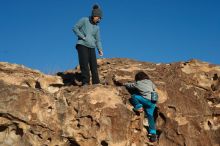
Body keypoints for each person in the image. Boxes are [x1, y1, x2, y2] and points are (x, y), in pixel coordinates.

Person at [73, 4, 103, 86]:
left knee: (94, 65)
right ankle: (85, 82)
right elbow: (75, 28)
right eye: (99, 17)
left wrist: (100, 49)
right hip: (82, 45)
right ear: (94, 15)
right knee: (84, 64)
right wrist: (82, 36)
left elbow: (98, 40)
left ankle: (96, 82)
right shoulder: (84, 20)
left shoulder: (97, 27)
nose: (99, 20)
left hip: (92, 46)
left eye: (100, 18)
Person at [123, 71, 158, 142]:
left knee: (133, 96)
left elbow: (130, 86)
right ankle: (153, 133)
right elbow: (154, 88)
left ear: (138, 78)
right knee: (150, 117)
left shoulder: (138, 83)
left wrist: (124, 84)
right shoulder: (150, 82)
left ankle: (139, 107)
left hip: (146, 100)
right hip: (153, 102)